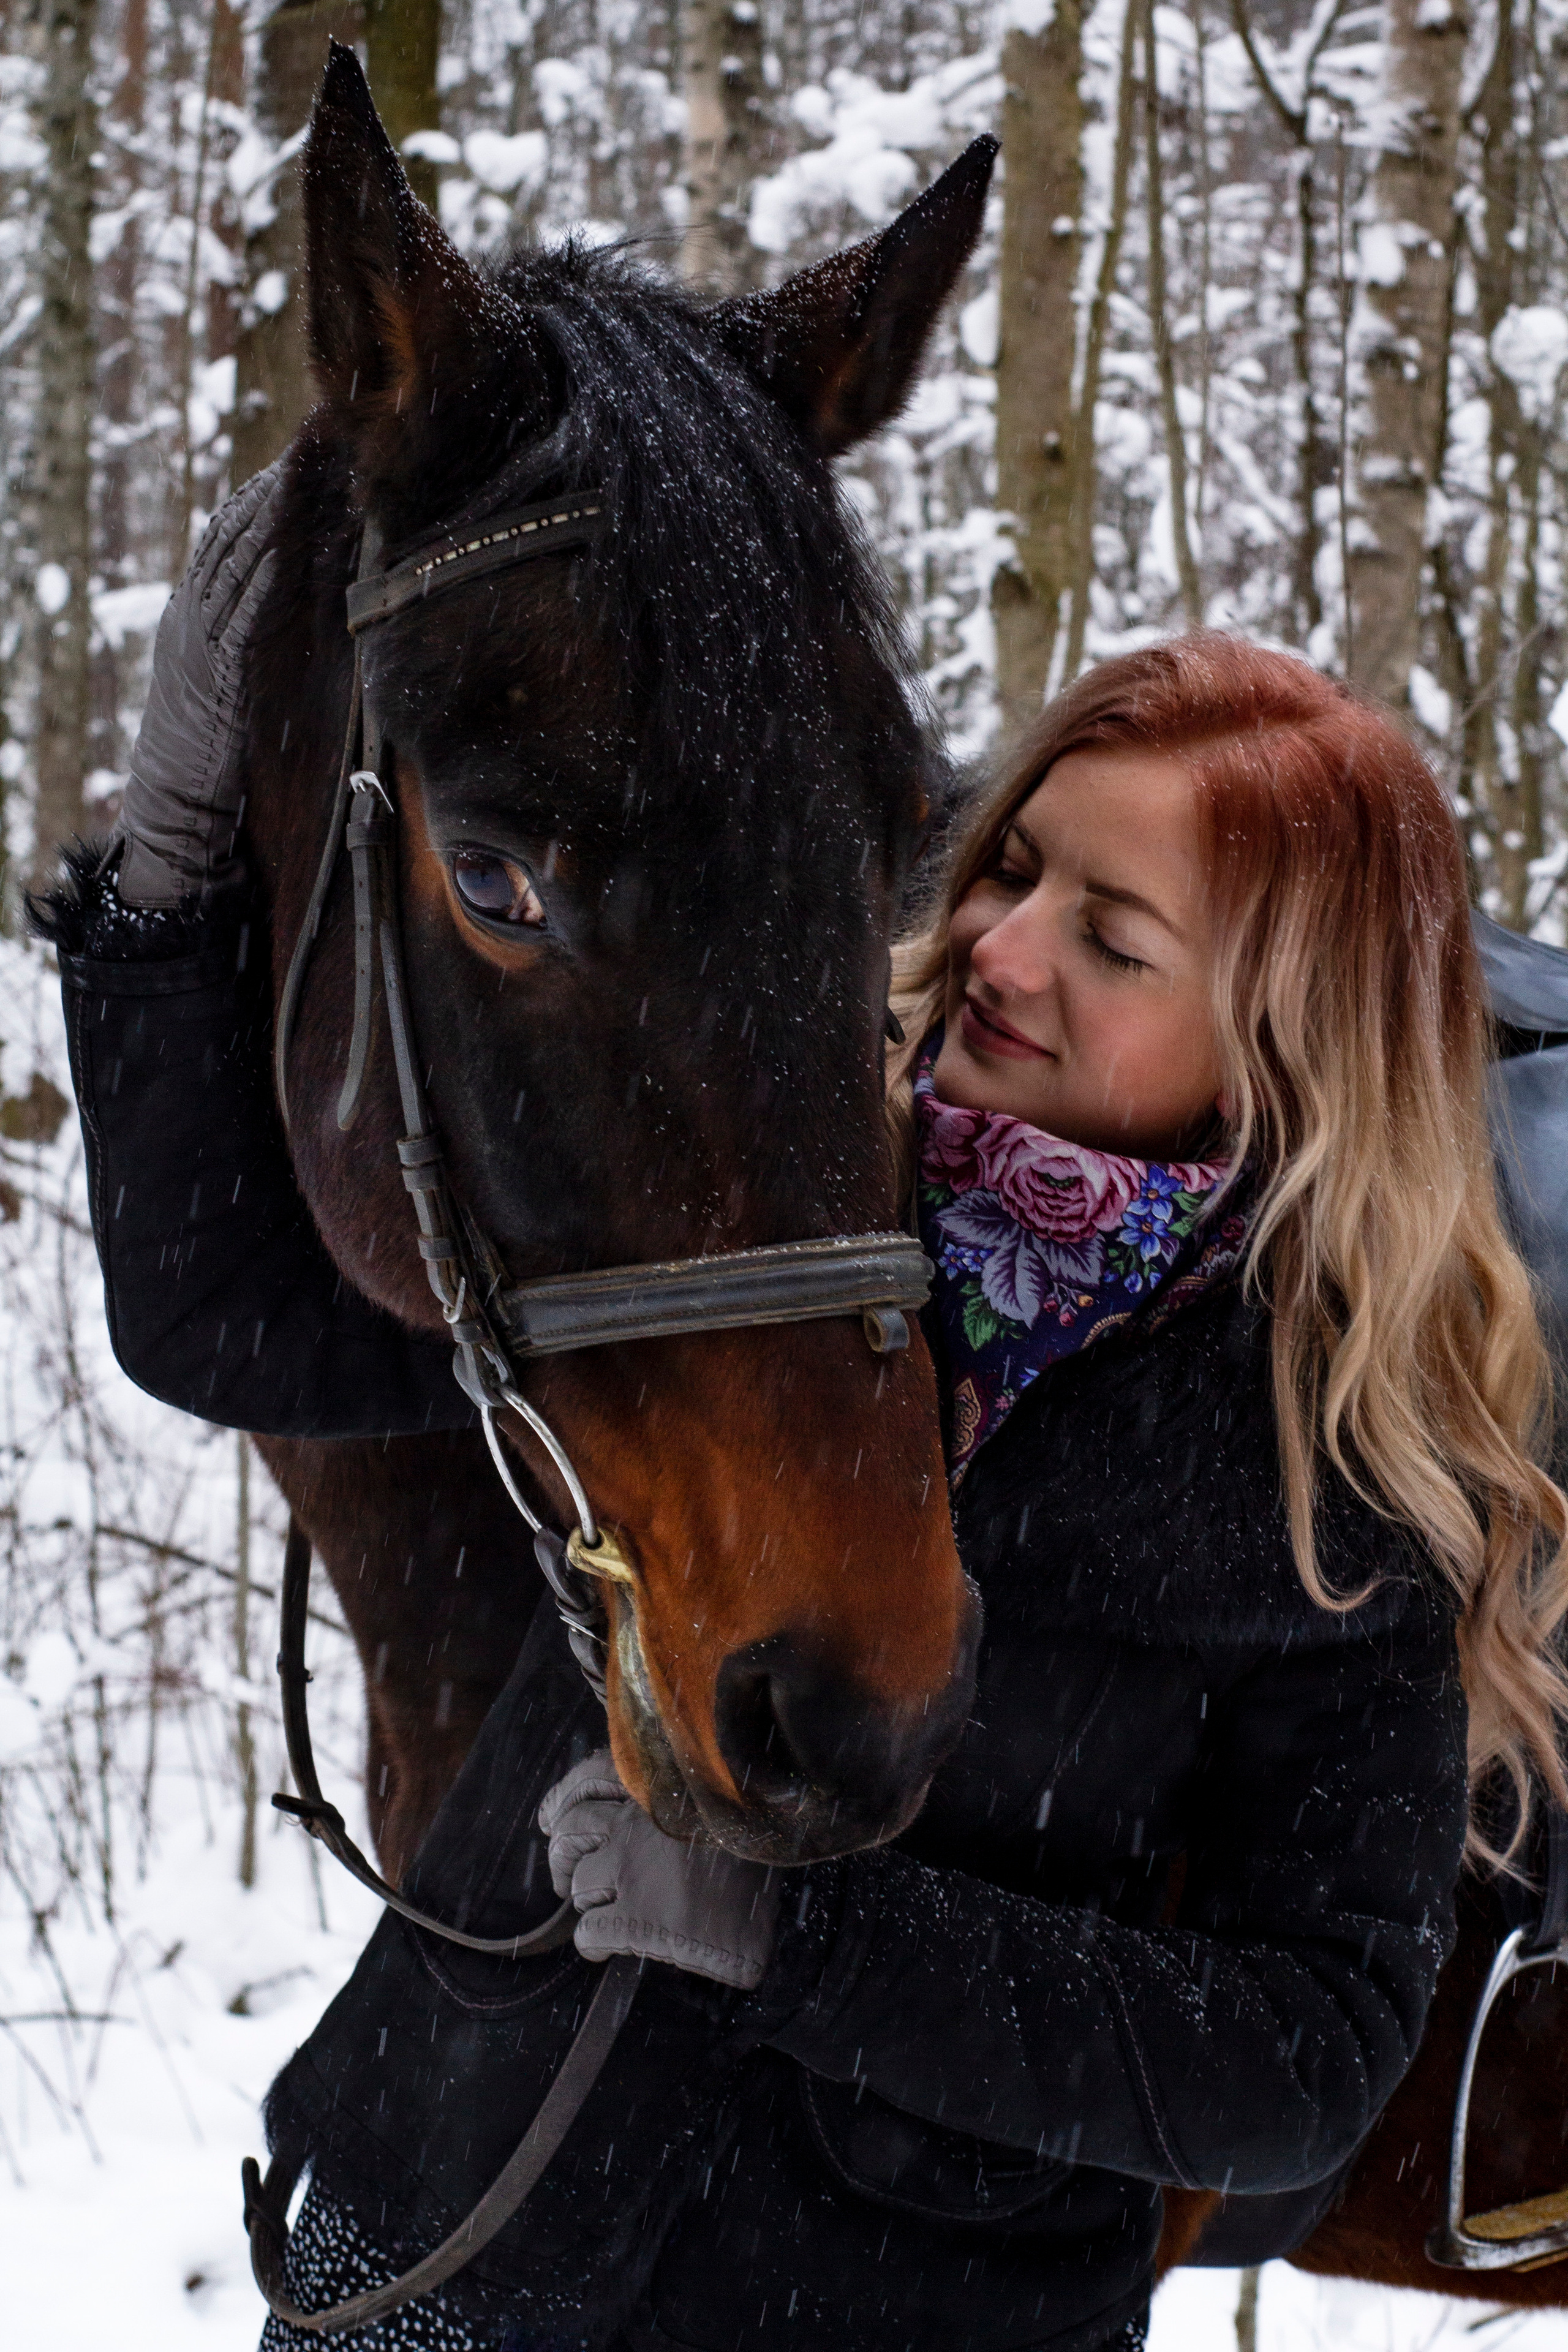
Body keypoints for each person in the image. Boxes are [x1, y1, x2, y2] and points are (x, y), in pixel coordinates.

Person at [40, 488, 1568, 2352]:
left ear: (1288, 1033)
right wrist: (169, 865)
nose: (1000, 950)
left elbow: (1300, 2059)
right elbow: (244, 1327)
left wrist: (807, 1945)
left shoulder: (1336, 1481)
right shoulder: (762, 1203)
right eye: (1010, 871)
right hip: (440, 2232)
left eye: (1115, 937)